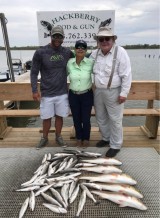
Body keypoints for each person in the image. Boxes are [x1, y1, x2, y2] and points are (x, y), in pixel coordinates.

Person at [90, 27, 132, 157]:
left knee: (115, 119)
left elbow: (126, 74)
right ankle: (106, 138)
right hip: (98, 91)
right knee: (101, 117)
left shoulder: (120, 52)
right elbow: (86, 69)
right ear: (97, 41)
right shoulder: (94, 53)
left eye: (107, 38)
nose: (104, 41)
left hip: (114, 91)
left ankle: (115, 145)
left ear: (113, 39)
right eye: (100, 39)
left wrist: (124, 93)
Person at [30, 25, 74, 149]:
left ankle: (58, 136)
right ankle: (44, 138)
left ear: (63, 38)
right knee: (46, 118)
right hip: (46, 93)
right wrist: (34, 90)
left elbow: (79, 61)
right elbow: (33, 72)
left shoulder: (67, 52)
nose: (57, 39)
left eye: (60, 36)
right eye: (55, 36)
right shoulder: (40, 52)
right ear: (51, 36)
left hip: (62, 93)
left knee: (60, 116)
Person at [67, 40, 94, 148]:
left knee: (86, 119)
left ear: (86, 50)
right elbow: (62, 75)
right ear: (74, 49)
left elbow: (100, 75)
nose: (80, 49)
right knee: (76, 118)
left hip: (87, 95)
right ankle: (79, 138)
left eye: (83, 47)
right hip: (73, 95)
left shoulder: (91, 63)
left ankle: (86, 138)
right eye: (78, 47)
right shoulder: (69, 63)